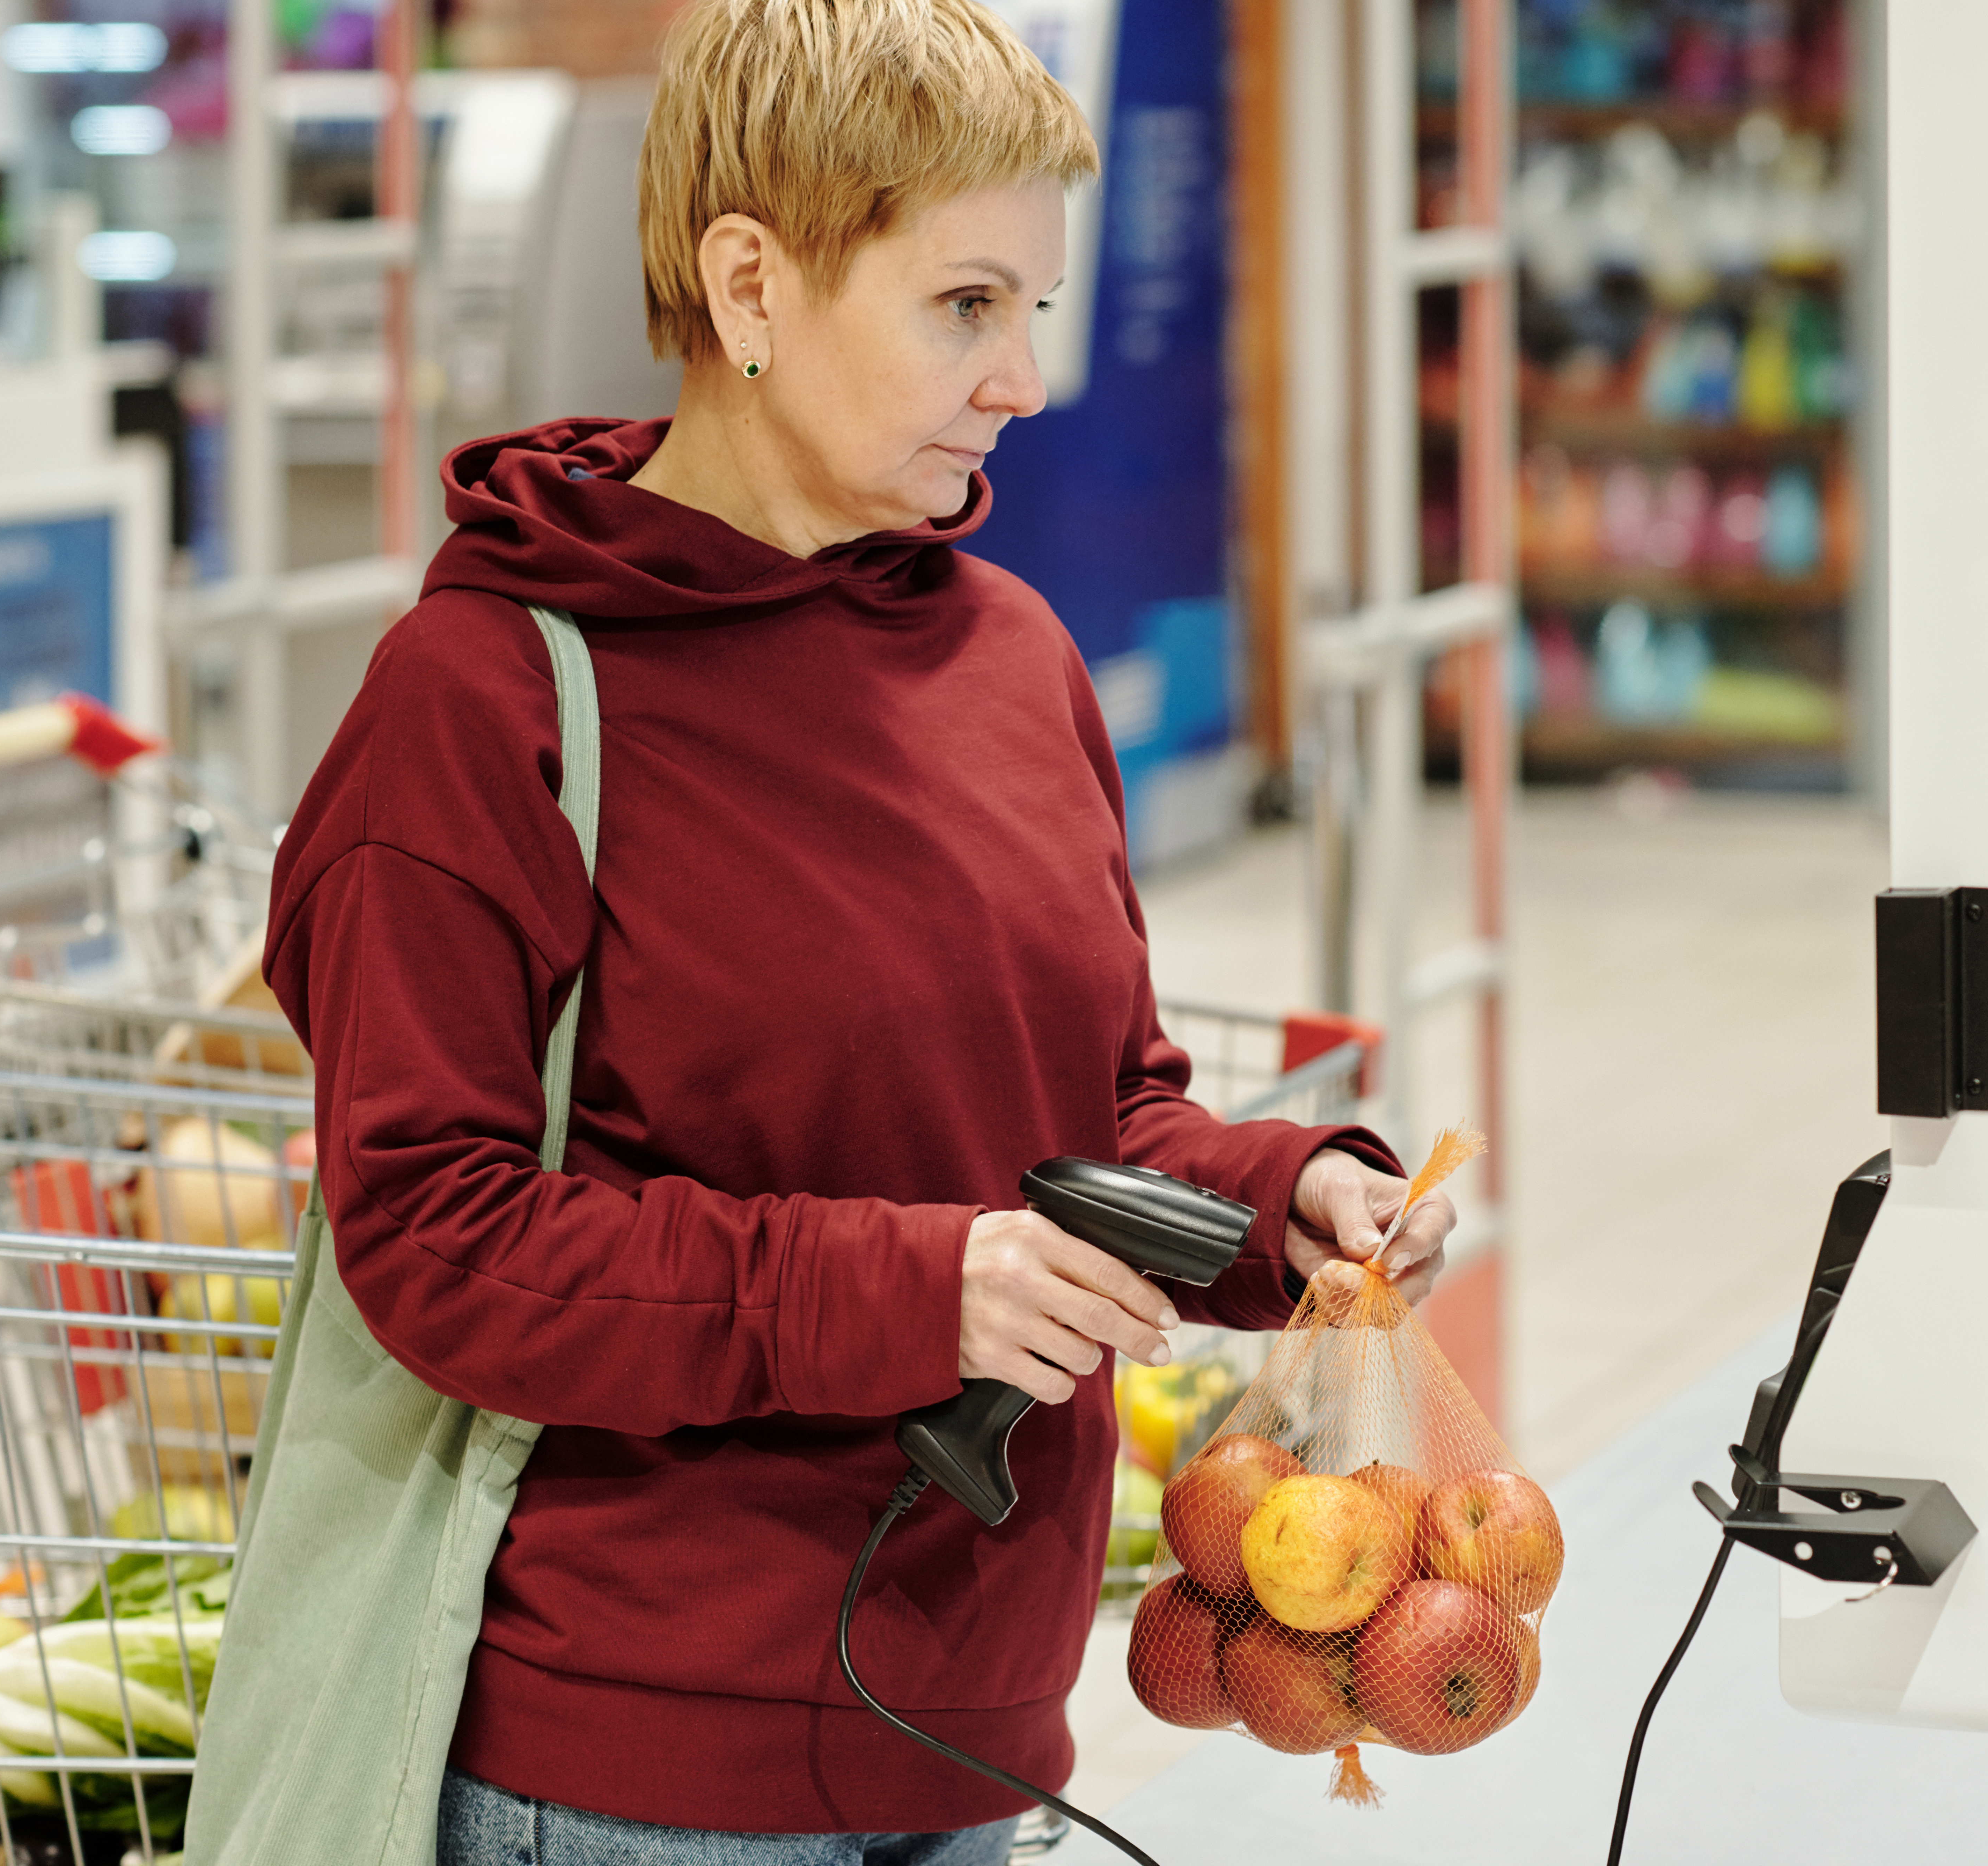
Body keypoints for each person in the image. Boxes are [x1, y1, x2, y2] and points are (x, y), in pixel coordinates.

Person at [258, 0, 1457, 1860]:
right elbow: (433, 1237)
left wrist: (1277, 1200)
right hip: (639, 1773)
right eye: (965, 306)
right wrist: (919, 1289)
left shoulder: (1012, 661)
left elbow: (1094, 1124)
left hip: (975, 1731)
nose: (1021, 383)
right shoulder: (486, 702)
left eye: (1033, 312)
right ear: (750, 283)